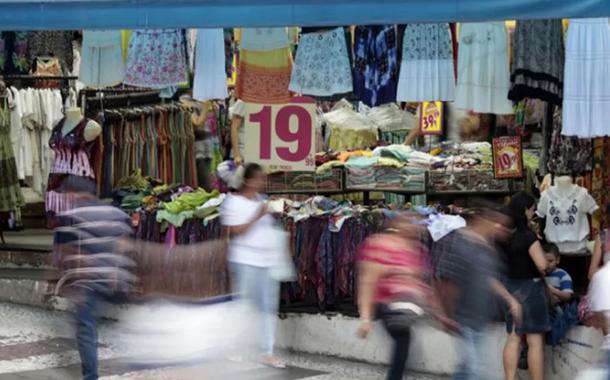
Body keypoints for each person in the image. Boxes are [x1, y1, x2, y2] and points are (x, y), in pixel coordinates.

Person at [53, 180, 136, 380]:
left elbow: (64, 252)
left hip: (87, 281)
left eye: (66, 195)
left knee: (86, 331)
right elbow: (126, 246)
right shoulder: (117, 214)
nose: (65, 199)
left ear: (74, 194)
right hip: (114, 280)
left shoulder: (69, 217)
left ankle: (91, 376)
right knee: (109, 326)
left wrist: (55, 283)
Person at [433, 204, 522, 380]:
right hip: (463, 318)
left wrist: (510, 300)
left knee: (469, 369)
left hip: (480, 320)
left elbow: (489, 279)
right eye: (499, 224)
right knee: (472, 370)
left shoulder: (488, 248)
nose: (502, 230)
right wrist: (446, 315)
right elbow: (446, 280)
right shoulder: (460, 243)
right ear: (484, 220)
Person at [357, 214, 449, 380]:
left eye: (417, 225)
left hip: (410, 305)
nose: (415, 228)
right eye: (409, 224)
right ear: (397, 226)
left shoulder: (418, 249)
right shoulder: (380, 244)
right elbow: (368, 282)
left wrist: (438, 313)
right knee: (403, 341)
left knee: (404, 345)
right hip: (387, 303)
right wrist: (365, 318)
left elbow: (425, 283)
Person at [220, 162, 285, 369]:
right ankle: (230, 345)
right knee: (244, 306)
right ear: (248, 180)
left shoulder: (262, 201)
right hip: (245, 260)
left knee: (268, 309)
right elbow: (235, 231)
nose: (262, 182)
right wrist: (257, 215)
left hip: (267, 262)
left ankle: (267, 352)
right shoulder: (232, 202)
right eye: (258, 178)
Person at [503, 192, 549, 380]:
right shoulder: (528, 236)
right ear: (525, 210)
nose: (534, 212)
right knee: (535, 340)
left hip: (510, 289)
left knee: (513, 337)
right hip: (530, 289)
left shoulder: (505, 236)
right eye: (532, 209)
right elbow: (542, 265)